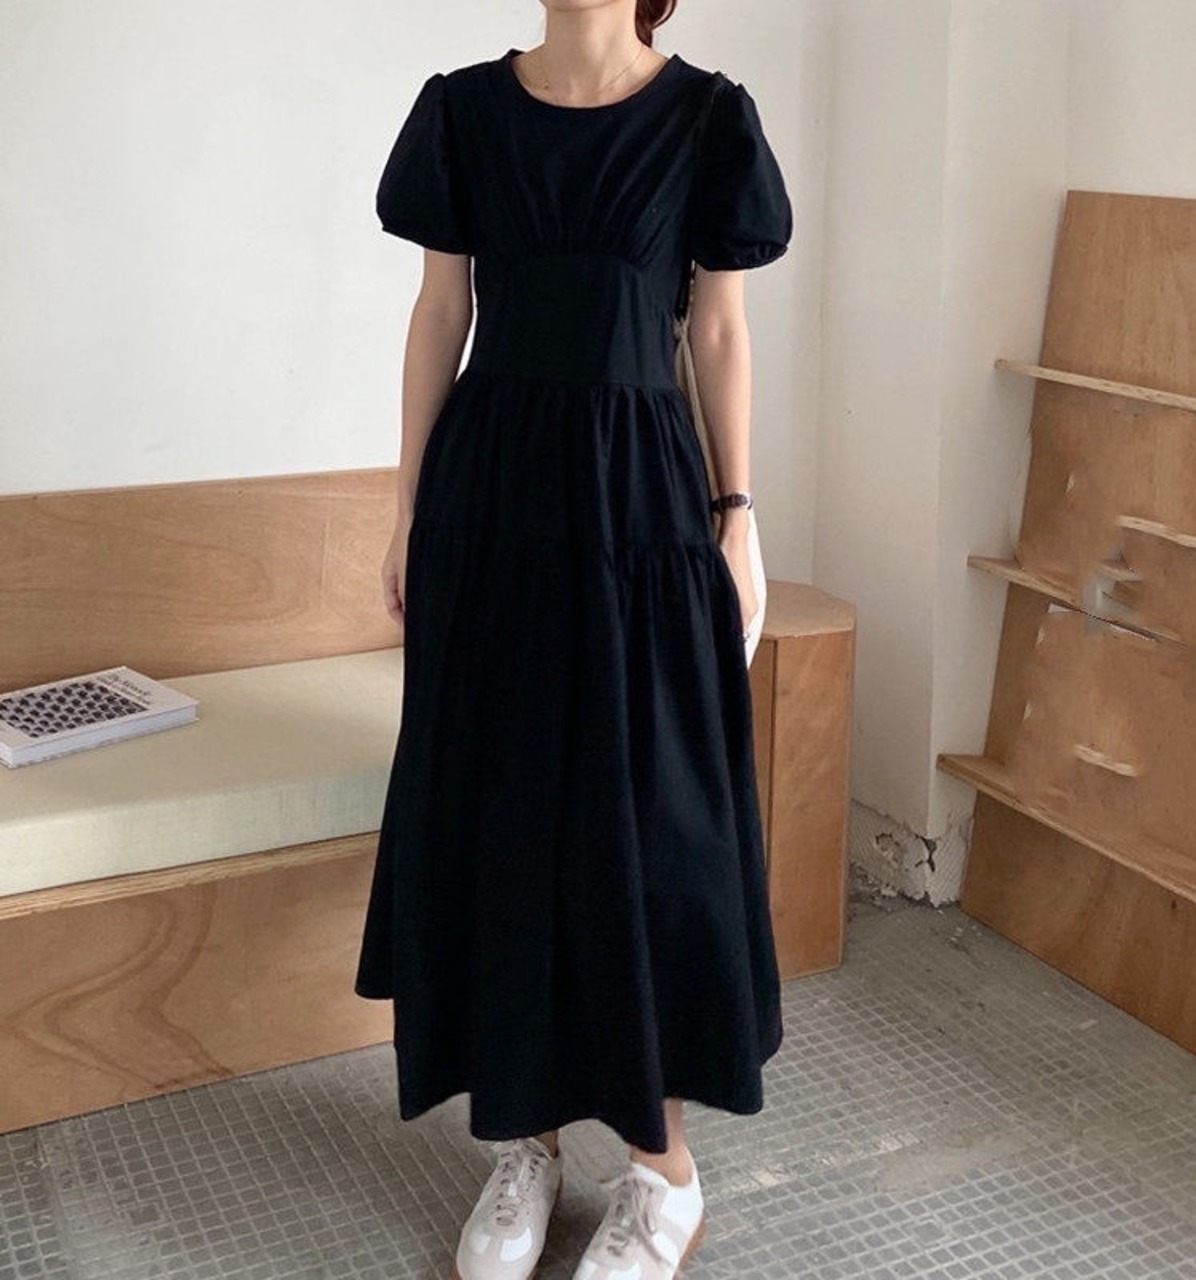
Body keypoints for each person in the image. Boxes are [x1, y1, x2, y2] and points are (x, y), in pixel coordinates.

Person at [354, 2, 793, 1277]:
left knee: (650, 825)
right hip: (492, 497)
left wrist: (737, 513)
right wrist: (408, 509)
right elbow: (440, 313)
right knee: (502, 811)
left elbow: (717, 329)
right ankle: (525, 1139)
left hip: (642, 497)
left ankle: (662, 1171)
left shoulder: (707, 120)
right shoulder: (461, 113)